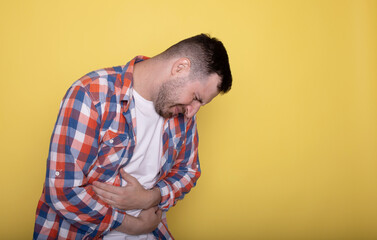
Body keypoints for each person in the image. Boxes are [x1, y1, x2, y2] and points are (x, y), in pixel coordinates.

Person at [33, 33, 232, 240]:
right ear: (180, 68)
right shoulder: (91, 94)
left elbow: (188, 170)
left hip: (153, 230)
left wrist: (151, 197)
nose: (192, 112)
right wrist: (133, 225)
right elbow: (63, 191)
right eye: (196, 98)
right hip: (84, 233)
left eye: (201, 104)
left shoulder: (183, 110)